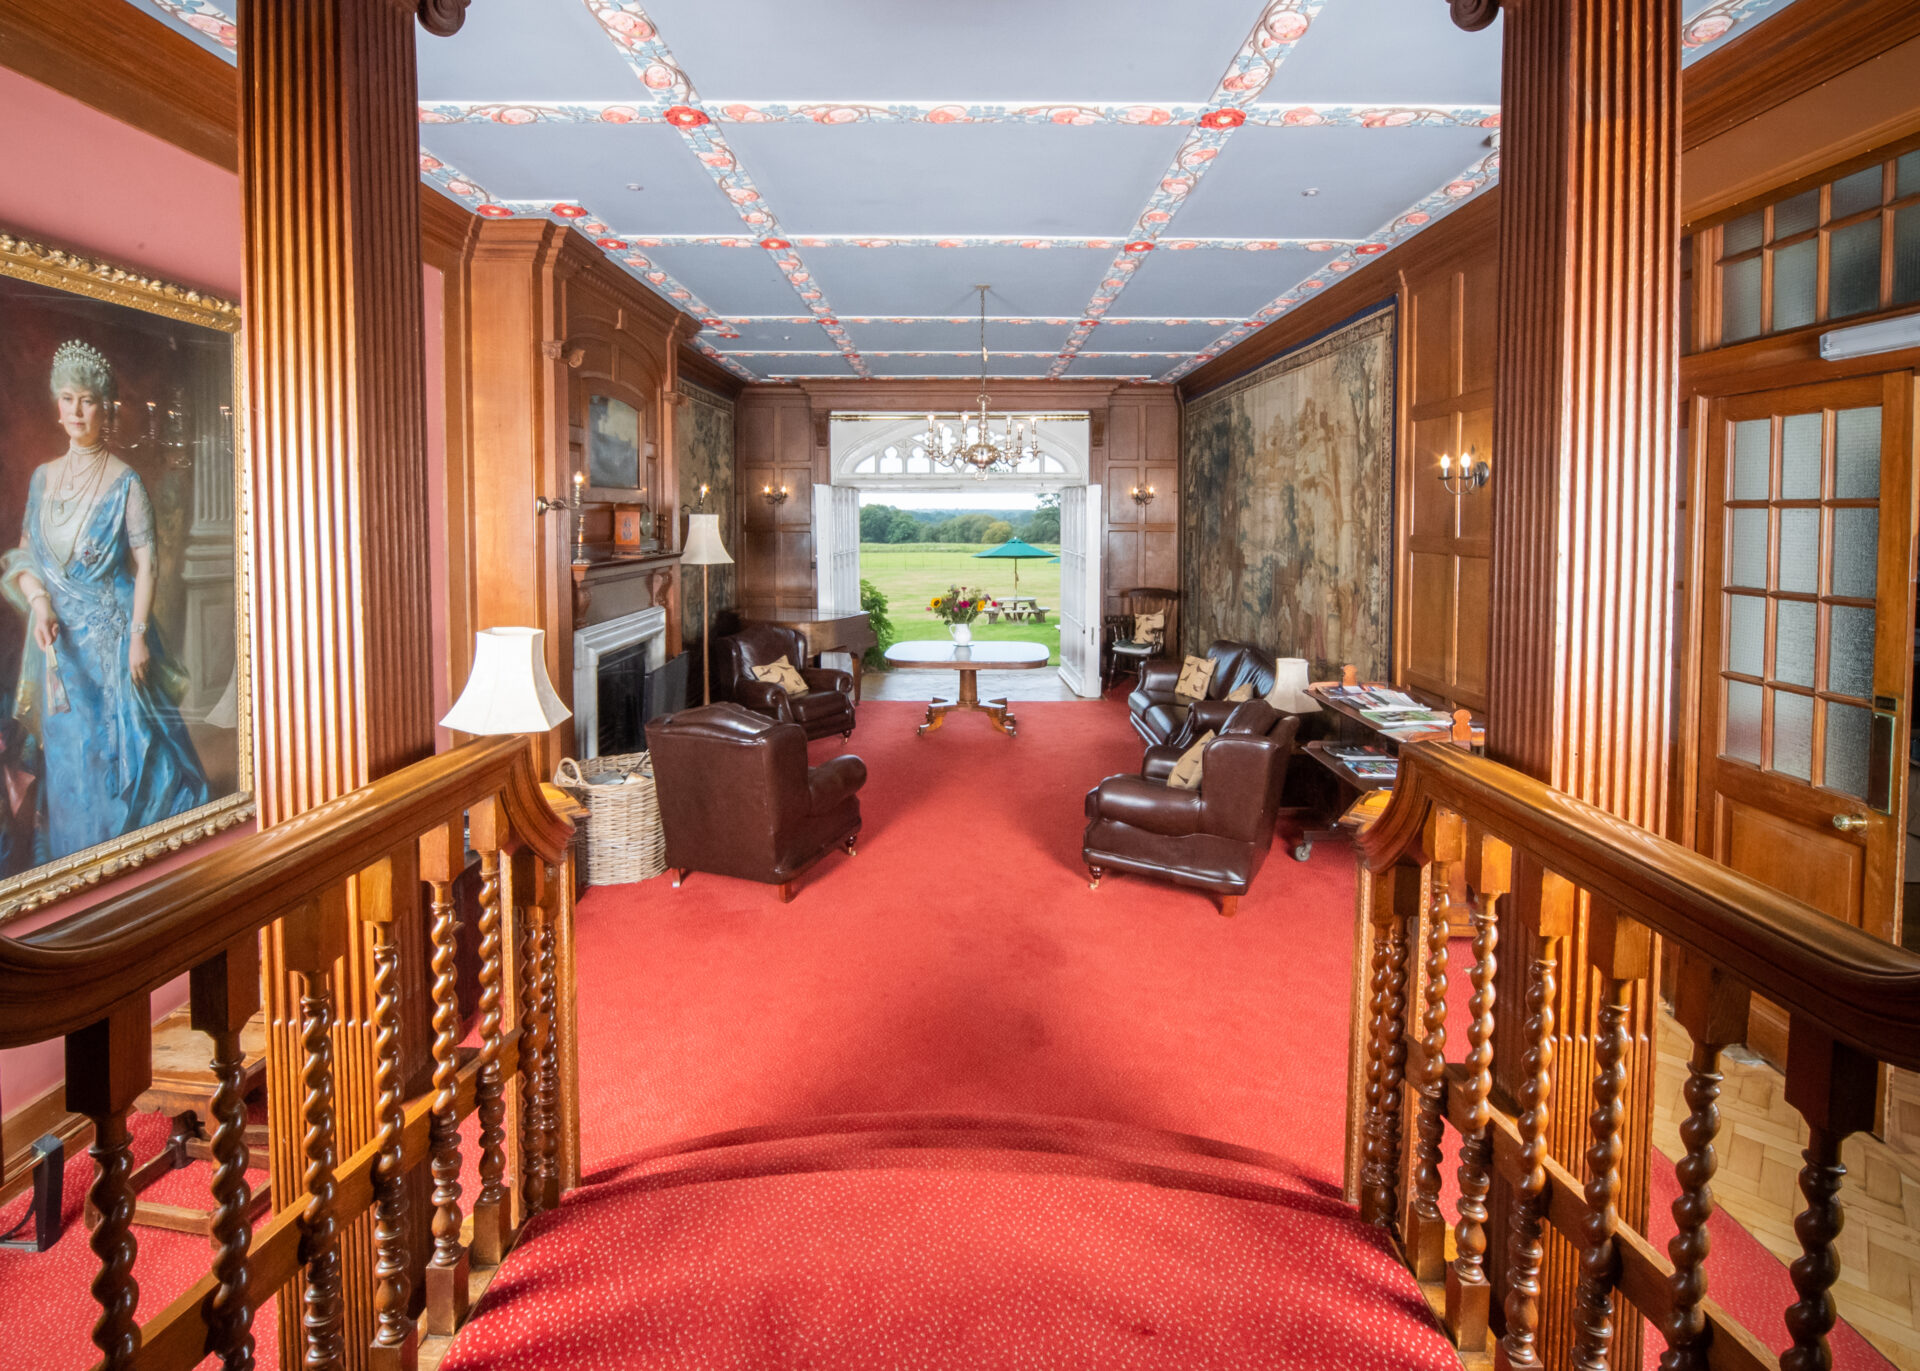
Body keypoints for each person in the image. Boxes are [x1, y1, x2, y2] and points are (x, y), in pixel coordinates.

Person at [0, 339, 209, 864]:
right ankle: (79, 870)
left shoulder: (126, 482)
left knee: (120, 766)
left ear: (105, 407)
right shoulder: (42, 478)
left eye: (87, 400)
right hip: (58, 652)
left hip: (113, 645)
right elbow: (24, 559)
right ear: (57, 405)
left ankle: (126, 872)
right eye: (68, 399)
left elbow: (148, 563)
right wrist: (40, 602)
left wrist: (139, 636)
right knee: (70, 761)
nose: (76, 411)